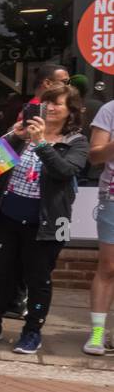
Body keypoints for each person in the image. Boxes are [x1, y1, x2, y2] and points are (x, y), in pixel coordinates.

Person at [0, 87, 89, 354]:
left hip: (47, 223)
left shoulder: (76, 141)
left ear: (70, 111)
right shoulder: (23, 135)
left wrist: (42, 144)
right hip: (7, 217)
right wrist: (14, 137)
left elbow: (64, 171)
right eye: (46, 103)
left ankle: (32, 330)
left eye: (58, 104)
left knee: (39, 279)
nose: (51, 108)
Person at [86, 99, 114, 355]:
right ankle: (97, 332)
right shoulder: (110, 109)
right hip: (113, 197)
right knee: (108, 266)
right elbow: (94, 155)